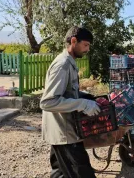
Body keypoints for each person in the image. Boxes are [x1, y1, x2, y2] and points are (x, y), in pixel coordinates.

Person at [40, 26, 101, 178]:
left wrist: (84, 96)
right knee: (82, 173)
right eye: (85, 45)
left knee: (60, 173)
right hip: (65, 134)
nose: (87, 49)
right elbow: (48, 102)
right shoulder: (63, 65)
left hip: (63, 131)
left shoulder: (70, 62)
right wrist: (82, 104)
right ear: (74, 41)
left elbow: (67, 92)